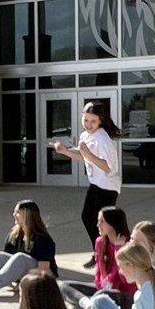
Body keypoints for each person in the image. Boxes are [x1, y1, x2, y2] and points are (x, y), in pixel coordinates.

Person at [52, 102, 121, 269]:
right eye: (86, 120)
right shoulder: (85, 136)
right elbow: (84, 159)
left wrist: (88, 152)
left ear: (100, 122)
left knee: (101, 223)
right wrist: (65, 151)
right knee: (87, 218)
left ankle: (107, 255)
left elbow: (106, 167)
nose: (88, 125)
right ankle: (100, 253)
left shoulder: (102, 139)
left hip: (107, 187)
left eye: (93, 121)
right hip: (96, 184)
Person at [59, 206, 137, 309]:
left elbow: (125, 279)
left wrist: (118, 250)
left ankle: (95, 301)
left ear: (112, 223)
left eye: (102, 222)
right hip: (104, 287)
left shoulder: (129, 245)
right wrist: (100, 285)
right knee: (64, 285)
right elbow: (99, 270)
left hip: (124, 292)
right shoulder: (100, 242)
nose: (97, 225)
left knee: (101, 294)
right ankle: (87, 303)